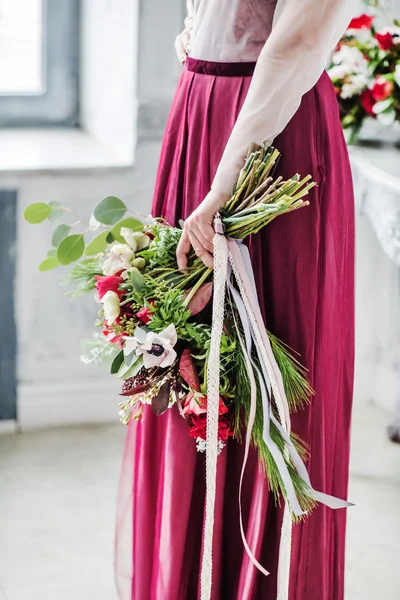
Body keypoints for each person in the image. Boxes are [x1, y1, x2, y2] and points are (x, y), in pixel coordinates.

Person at [116, 1, 358, 598]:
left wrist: (224, 189)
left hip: (266, 138)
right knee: (188, 365)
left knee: (265, 371)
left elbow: (295, 46)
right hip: (202, 113)